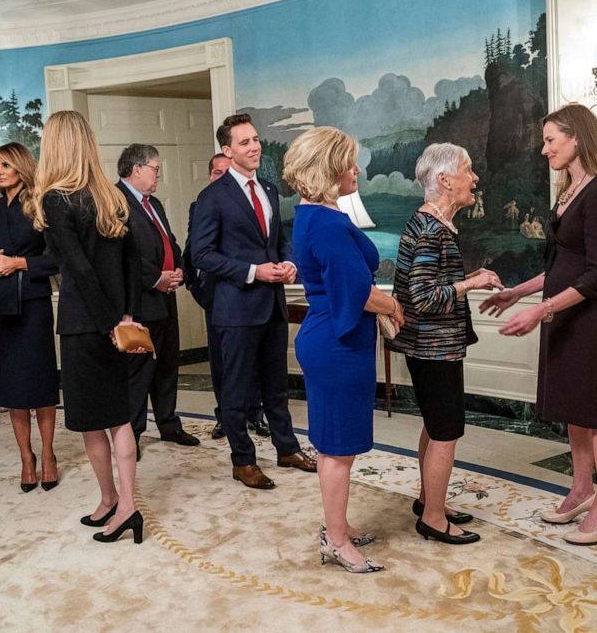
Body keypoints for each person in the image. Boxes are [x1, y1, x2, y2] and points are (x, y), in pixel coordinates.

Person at [481, 104, 597, 545]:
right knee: (575, 410)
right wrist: (519, 293)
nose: (543, 149)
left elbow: (595, 275)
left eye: (550, 140)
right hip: (561, 313)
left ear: (577, 138)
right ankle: (581, 489)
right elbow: (562, 266)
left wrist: (541, 311)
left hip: (588, 317)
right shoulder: (569, 190)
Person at [286, 127, 402, 573]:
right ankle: (335, 539)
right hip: (336, 342)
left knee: (337, 445)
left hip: (333, 336)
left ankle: (339, 526)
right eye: (350, 162)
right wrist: (393, 306)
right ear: (330, 168)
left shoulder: (313, 214)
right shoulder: (330, 222)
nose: (357, 169)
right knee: (336, 448)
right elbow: (356, 291)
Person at [191, 113, 317, 489]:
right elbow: (201, 255)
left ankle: (286, 447)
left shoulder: (269, 189)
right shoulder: (212, 197)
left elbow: (278, 240)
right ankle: (243, 461)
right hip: (234, 307)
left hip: (272, 304)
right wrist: (254, 271)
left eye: (256, 139)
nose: (255, 146)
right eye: (244, 142)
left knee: (276, 385)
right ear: (227, 150)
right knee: (235, 389)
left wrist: (289, 261)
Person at [36, 110, 145, 544]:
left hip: (87, 325)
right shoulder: (112, 195)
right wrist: (126, 318)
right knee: (119, 417)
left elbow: (78, 269)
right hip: (119, 322)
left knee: (93, 422)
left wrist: (104, 324)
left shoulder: (56, 200)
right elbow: (133, 264)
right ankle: (117, 504)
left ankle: (120, 505)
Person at [386, 142, 503, 546]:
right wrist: (472, 282)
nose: (474, 179)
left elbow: (427, 286)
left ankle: (427, 499)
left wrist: (467, 277)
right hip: (434, 349)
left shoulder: (429, 224)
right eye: (468, 171)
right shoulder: (431, 230)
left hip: (429, 348)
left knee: (436, 427)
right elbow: (422, 297)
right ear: (444, 180)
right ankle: (434, 518)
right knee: (446, 432)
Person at [0, 143, 61, 493]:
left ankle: (49, 453)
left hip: (33, 302)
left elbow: (57, 259)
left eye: (6, 164)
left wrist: (18, 263)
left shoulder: (42, 204)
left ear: (22, 167)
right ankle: (26, 457)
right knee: (12, 387)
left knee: (39, 383)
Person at [115, 143, 200, 458]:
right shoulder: (116, 202)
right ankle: (132, 434)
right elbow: (124, 257)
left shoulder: (154, 204)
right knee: (138, 373)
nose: (158, 175)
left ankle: (169, 423)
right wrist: (155, 278)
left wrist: (176, 268)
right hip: (140, 303)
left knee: (167, 365)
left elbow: (171, 241)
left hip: (166, 300)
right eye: (155, 168)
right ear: (136, 169)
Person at [183, 153, 269, 440]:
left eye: (226, 172)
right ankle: (225, 416)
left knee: (255, 358)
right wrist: (194, 286)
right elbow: (192, 250)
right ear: (210, 175)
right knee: (221, 360)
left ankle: (255, 413)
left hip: (251, 291)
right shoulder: (202, 204)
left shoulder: (252, 201)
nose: (221, 177)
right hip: (216, 295)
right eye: (217, 173)